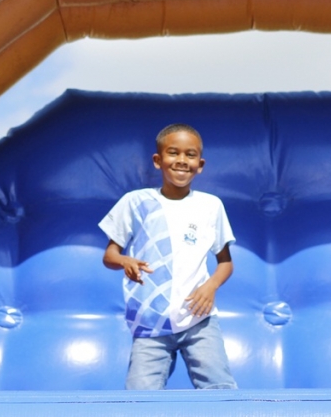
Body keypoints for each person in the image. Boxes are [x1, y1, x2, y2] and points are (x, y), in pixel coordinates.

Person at [99, 123, 238, 390]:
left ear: (200, 164)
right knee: (139, 396)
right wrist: (125, 261)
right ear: (158, 160)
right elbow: (110, 255)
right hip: (150, 322)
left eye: (190, 155)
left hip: (198, 319)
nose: (182, 160)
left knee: (219, 388)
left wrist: (210, 287)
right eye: (173, 153)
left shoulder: (210, 206)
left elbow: (225, 262)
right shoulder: (135, 202)